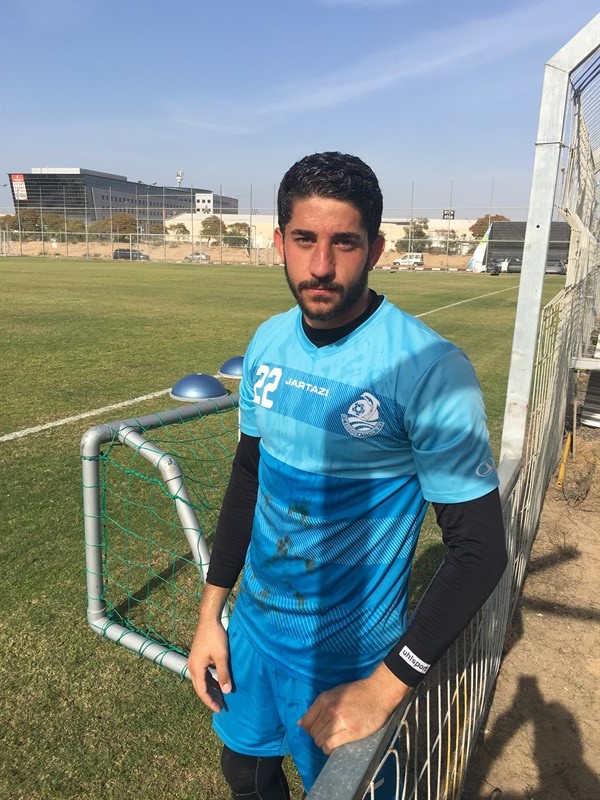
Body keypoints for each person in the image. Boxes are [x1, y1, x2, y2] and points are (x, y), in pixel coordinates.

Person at [188, 152, 507, 799]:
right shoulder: (268, 342)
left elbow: (480, 550)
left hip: (348, 661)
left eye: (345, 243)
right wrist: (210, 614)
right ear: (279, 241)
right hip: (252, 632)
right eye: (305, 239)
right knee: (244, 771)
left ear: (376, 249)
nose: (321, 266)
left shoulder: (430, 369)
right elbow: (248, 477)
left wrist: (384, 686)